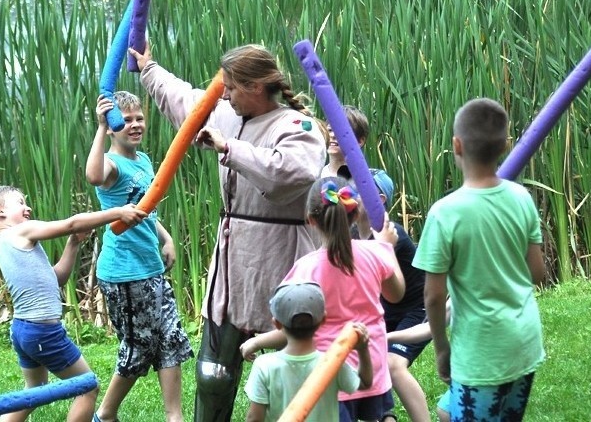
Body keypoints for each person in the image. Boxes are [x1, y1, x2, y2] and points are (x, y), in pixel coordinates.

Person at [130, 42, 326, 421]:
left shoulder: (297, 126)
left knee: (298, 367)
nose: (226, 96)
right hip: (234, 260)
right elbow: (185, 101)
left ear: (254, 86)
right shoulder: (226, 115)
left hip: (284, 255)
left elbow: (290, 175)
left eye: (232, 88)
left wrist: (229, 148)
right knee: (213, 373)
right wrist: (149, 68)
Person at [412, 98, 546, 421]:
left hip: (481, 354)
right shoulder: (521, 198)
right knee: (450, 411)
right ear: (505, 146)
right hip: (523, 343)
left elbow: (432, 295)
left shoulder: (444, 213)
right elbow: (538, 273)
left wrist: (442, 347)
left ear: (456, 145)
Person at [0, 185, 147, 422]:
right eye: (20, 202)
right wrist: (118, 212)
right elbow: (72, 223)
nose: (28, 208)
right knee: (87, 387)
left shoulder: (8, 242)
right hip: (43, 332)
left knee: (34, 391)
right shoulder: (21, 232)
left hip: (24, 329)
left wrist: (73, 243)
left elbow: (57, 279)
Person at [240, 176, 404, 422]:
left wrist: (257, 341)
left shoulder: (306, 269)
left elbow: (292, 326)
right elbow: (396, 294)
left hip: (330, 373)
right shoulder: (375, 252)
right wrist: (387, 249)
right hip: (373, 366)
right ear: (356, 213)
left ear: (310, 220)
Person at [86, 91, 194, 422]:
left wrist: (166, 238)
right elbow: (93, 175)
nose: (135, 125)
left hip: (150, 267)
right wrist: (102, 127)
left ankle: (174, 417)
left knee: (170, 338)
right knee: (138, 346)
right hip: (124, 272)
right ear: (114, 125)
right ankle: (104, 414)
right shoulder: (112, 165)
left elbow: (147, 211)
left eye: (139, 119)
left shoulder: (143, 160)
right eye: (126, 120)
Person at [352, 170, 430, 422]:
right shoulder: (352, 234)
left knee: (394, 365)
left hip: (417, 309)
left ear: (380, 199)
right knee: (360, 358)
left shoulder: (390, 233)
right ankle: (384, 416)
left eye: (361, 187)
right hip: (385, 310)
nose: (352, 191)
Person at [244, 281, 373, 422]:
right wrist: (363, 350)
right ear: (323, 320)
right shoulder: (332, 364)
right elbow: (365, 383)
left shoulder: (264, 365)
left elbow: (254, 418)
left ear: (277, 324)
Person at [321, 106, 369, 180]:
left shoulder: (370, 182)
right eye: (330, 130)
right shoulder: (315, 177)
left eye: (340, 131)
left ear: (359, 141)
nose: (332, 135)